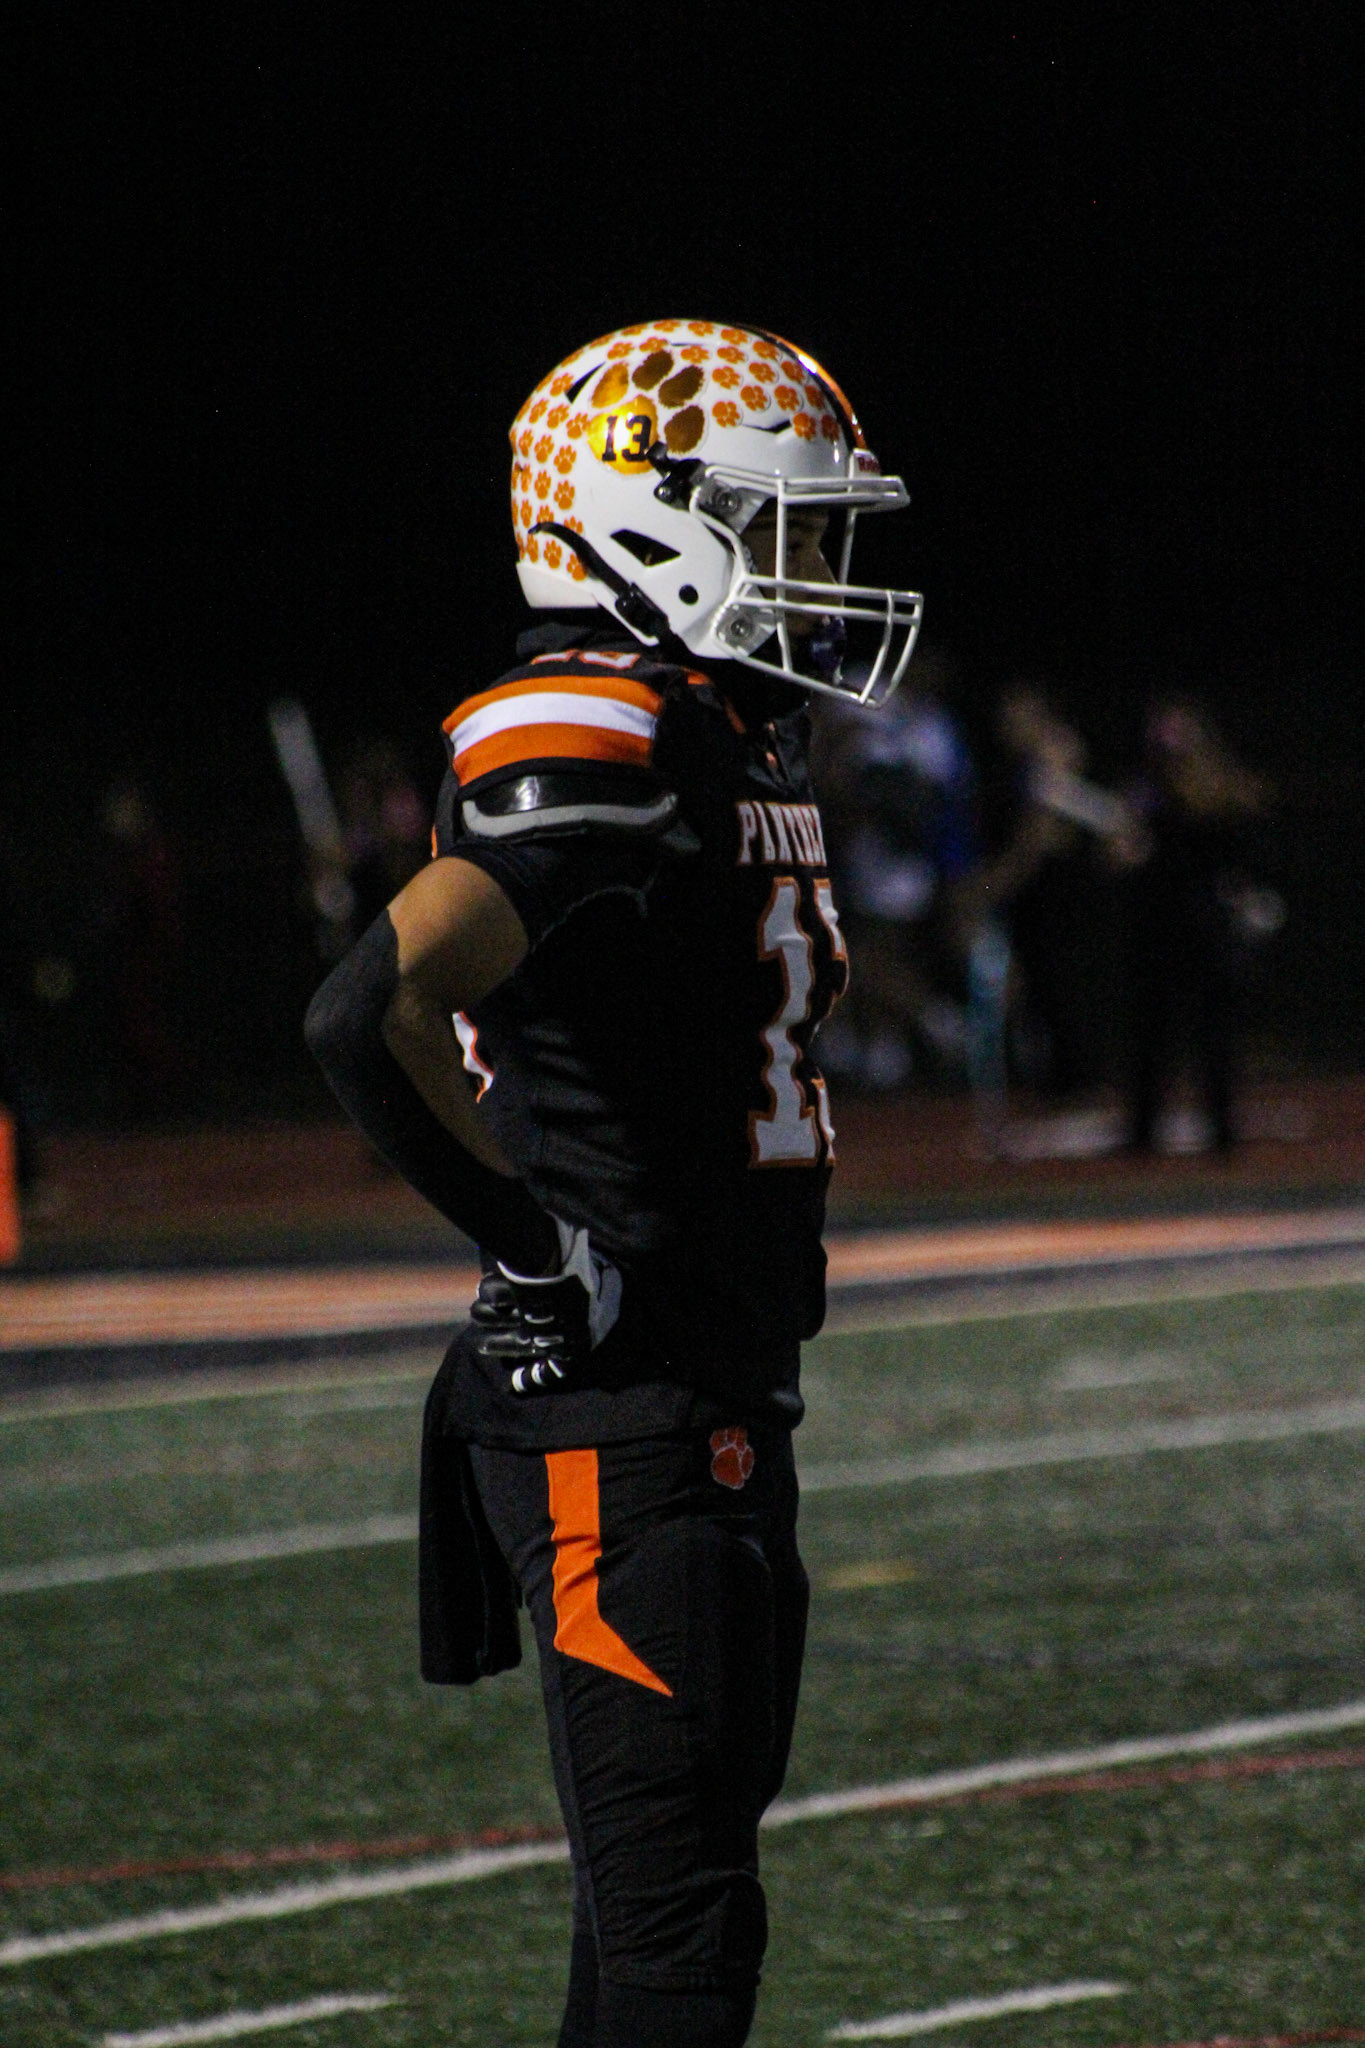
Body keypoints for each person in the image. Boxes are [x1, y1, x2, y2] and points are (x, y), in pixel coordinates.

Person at [305, 317, 923, 2048]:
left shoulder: (722, 725)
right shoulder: (595, 720)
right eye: (781, 526)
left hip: (710, 1390)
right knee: (678, 1948)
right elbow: (370, 1008)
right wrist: (528, 1250)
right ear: (647, 524)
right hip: (615, 1414)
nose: (816, 571)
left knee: (669, 1930)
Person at [1118, 697, 1274, 1152]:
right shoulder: (1146, 794)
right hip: (1157, 928)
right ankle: (1143, 1133)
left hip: (1207, 928)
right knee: (1152, 1034)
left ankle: (1222, 1131)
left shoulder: (1219, 787)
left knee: (1215, 1035)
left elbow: (1244, 822)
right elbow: (1120, 853)